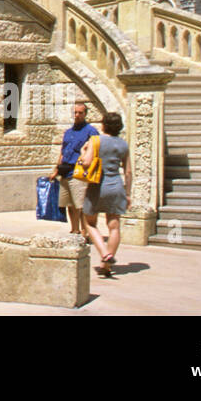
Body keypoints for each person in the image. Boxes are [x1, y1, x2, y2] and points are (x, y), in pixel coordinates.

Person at [80, 111, 131, 276]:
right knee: (114, 225)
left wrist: (82, 152)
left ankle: (104, 253)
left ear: (103, 125)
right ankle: (107, 266)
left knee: (89, 222)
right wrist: (128, 193)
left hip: (97, 186)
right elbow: (128, 172)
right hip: (116, 186)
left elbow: (86, 163)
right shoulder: (124, 145)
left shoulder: (96, 141)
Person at [46, 101, 97, 236]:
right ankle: (75, 229)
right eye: (75, 112)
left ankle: (85, 232)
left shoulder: (91, 131)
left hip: (79, 171)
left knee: (81, 205)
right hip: (65, 171)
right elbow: (63, 152)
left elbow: (95, 152)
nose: (77, 115)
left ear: (85, 114)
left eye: (80, 112)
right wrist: (56, 171)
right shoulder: (68, 132)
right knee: (69, 204)